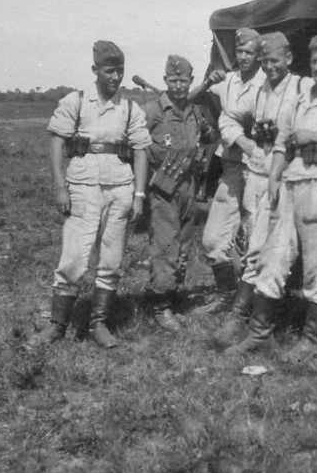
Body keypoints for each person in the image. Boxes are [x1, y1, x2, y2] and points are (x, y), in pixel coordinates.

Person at [224, 32, 317, 360]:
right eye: (314, 61)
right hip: (290, 182)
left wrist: (316, 136)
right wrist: (274, 177)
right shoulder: (301, 97)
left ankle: (312, 340)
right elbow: (283, 141)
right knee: (273, 256)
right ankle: (259, 333)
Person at [34, 40, 151, 349]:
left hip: (120, 190)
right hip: (83, 189)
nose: (116, 77)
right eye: (110, 71)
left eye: (120, 72)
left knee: (111, 261)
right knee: (73, 259)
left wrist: (138, 196)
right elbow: (57, 143)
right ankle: (57, 325)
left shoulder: (129, 109)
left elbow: (141, 152)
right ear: (95, 70)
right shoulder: (76, 102)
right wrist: (60, 187)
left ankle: (99, 323)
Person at [142, 55, 219, 331]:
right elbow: (133, 146)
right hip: (162, 189)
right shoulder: (152, 111)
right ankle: (161, 307)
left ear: (190, 81)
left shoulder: (194, 111)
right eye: (172, 80)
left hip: (189, 186)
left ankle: (173, 299)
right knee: (166, 247)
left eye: (183, 80)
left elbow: (210, 137)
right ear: (165, 80)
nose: (178, 85)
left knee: (184, 246)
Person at [198, 28, 268, 314]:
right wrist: (206, 82)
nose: (242, 57)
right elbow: (195, 98)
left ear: (260, 55)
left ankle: (258, 303)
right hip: (230, 165)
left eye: (249, 52)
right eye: (239, 51)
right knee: (213, 239)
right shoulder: (228, 80)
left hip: (259, 169)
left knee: (256, 238)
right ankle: (226, 294)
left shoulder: (268, 84)